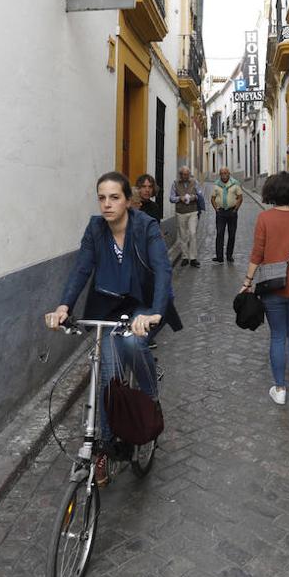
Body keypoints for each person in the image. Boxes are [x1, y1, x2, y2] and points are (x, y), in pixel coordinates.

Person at [45, 172, 181, 477]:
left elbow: (161, 271)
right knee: (107, 376)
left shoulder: (145, 226)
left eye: (114, 197)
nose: (107, 204)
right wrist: (64, 305)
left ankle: (150, 394)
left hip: (142, 305)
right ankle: (105, 446)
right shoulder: (95, 228)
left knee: (133, 343)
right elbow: (81, 269)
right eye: (102, 197)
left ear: (128, 200)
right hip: (107, 307)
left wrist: (156, 313)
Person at [241, 171, 289, 405]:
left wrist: (247, 281)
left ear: (271, 192)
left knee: (277, 335)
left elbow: (257, 254)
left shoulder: (265, 219)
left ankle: (280, 389)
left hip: (273, 287)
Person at [168, 166, 205, 267]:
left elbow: (200, 195)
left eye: (188, 174)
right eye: (184, 174)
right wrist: (180, 198)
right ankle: (185, 257)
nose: (186, 176)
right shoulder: (175, 183)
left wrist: (194, 197)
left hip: (193, 211)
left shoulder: (194, 182)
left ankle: (193, 258)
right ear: (180, 175)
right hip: (181, 212)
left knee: (192, 233)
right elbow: (171, 198)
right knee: (183, 235)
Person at [210, 167, 244, 263]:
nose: (224, 175)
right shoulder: (216, 185)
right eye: (222, 173)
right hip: (221, 212)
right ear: (220, 175)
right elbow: (212, 198)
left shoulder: (235, 184)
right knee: (220, 233)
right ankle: (219, 256)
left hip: (232, 212)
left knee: (232, 234)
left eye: (225, 173)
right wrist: (216, 209)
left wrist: (236, 209)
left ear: (229, 174)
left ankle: (229, 256)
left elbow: (240, 198)